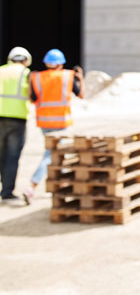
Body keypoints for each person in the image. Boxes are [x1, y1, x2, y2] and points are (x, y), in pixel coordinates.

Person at [24, 48, 84, 204]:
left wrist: (30, 81)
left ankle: (62, 186)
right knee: (51, 154)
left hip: (44, 123)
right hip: (60, 123)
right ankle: (32, 185)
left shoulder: (37, 77)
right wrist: (81, 78)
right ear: (60, 64)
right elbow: (81, 95)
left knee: (56, 154)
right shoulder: (67, 76)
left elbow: (32, 99)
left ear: (46, 63)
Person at [0, 47, 32, 205]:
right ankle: (6, 192)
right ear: (26, 60)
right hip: (17, 119)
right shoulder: (26, 74)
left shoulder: (0, 71)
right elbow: (33, 96)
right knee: (12, 157)